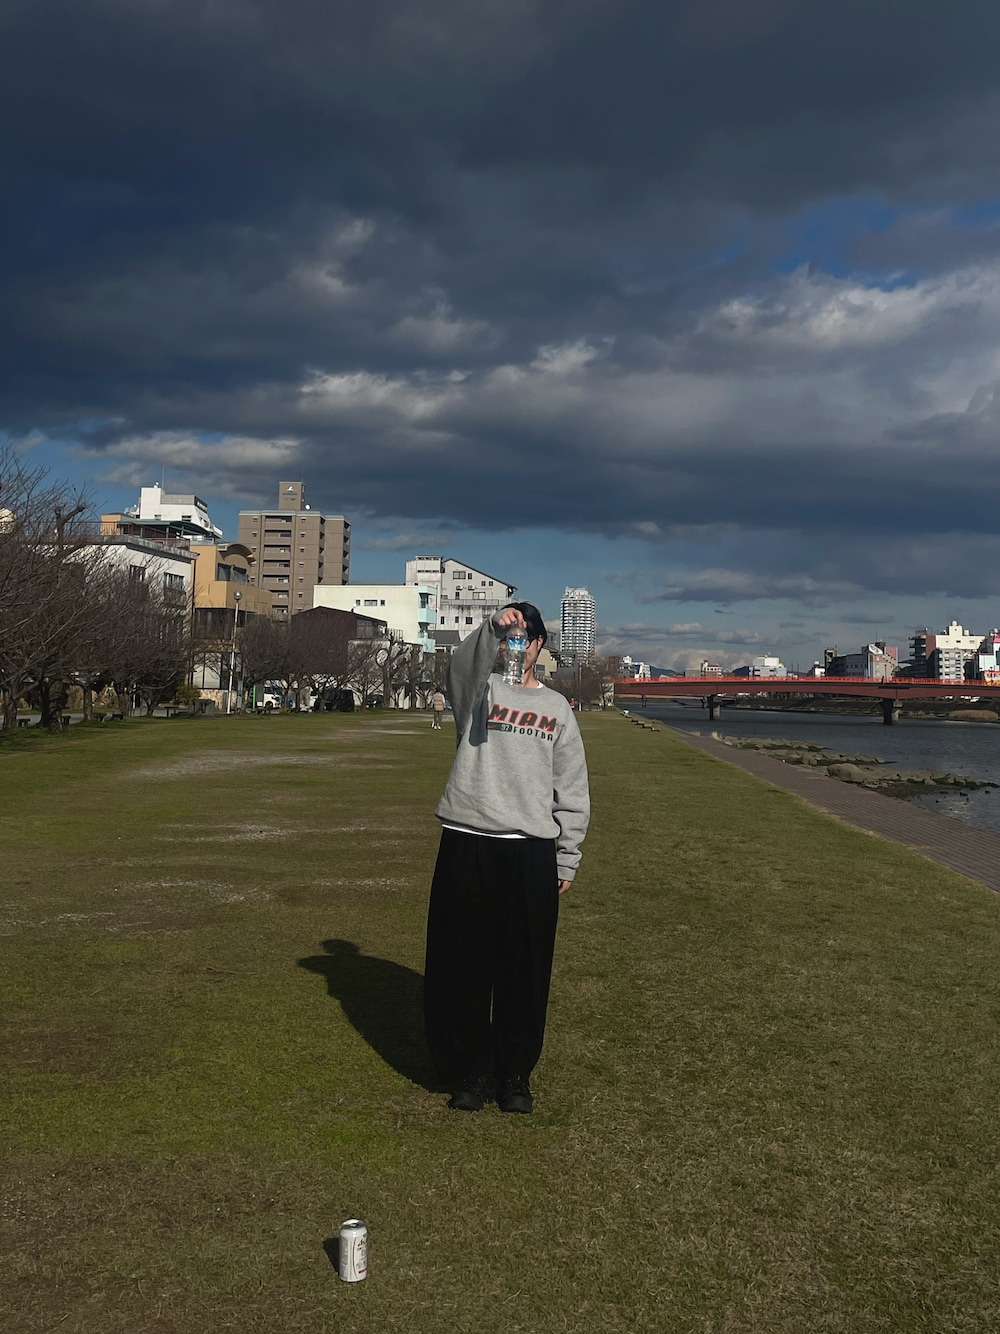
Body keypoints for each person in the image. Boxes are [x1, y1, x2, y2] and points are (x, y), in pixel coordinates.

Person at [423, 602, 590, 1114]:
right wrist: (492, 627)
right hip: (468, 840)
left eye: (524, 638)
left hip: (530, 850)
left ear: (539, 645)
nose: (516, 646)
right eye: (509, 638)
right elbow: (459, 669)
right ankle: (470, 1069)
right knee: (463, 962)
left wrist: (567, 855)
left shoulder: (557, 708)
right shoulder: (479, 691)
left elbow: (571, 787)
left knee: (525, 966)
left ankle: (515, 1072)